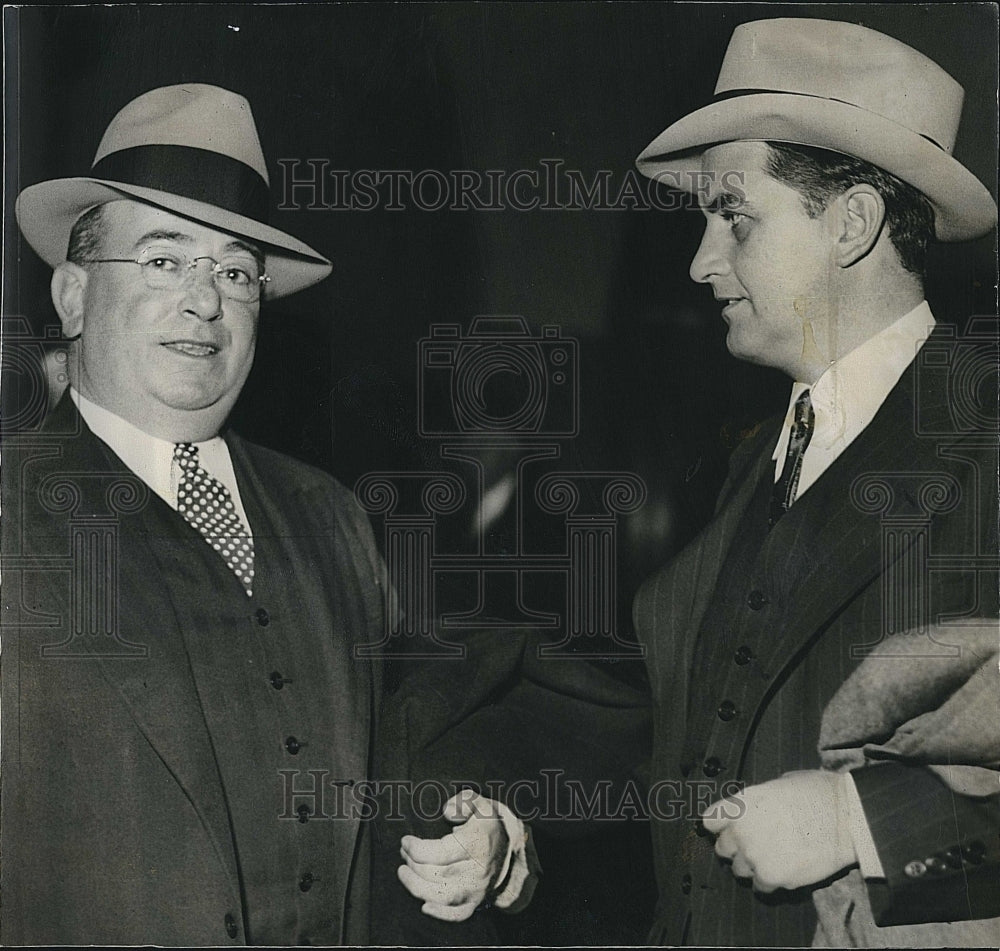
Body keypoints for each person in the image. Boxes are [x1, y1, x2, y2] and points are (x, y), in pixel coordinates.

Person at [391, 18, 999, 947]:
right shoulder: (758, 463)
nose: (700, 261)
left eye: (735, 218)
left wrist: (862, 820)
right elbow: (677, 733)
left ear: (853, 223)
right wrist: (511, 831)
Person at [1, 84, 388, 945]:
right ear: (71, 296)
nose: (205, 301)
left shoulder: (332, 518)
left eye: (235, 272)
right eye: (166, 260)